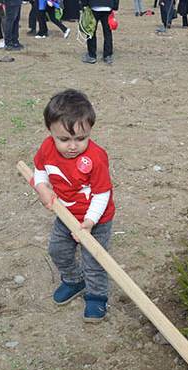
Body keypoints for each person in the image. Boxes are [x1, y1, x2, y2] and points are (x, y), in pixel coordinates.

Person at [32, 89, 116, 323]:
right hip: (65, 213)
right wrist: (42, 188)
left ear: (90, 129)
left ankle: (97, 296)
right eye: (64, 139)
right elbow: (40, 171)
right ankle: (73, 280)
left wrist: (88, 224)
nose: (72, 146)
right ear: (50, 131)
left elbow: (102, 194)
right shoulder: (47, 148)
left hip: (95, 219)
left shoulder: (96, 158)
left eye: (81, 138)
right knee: (57, 250)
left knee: (93, 259)